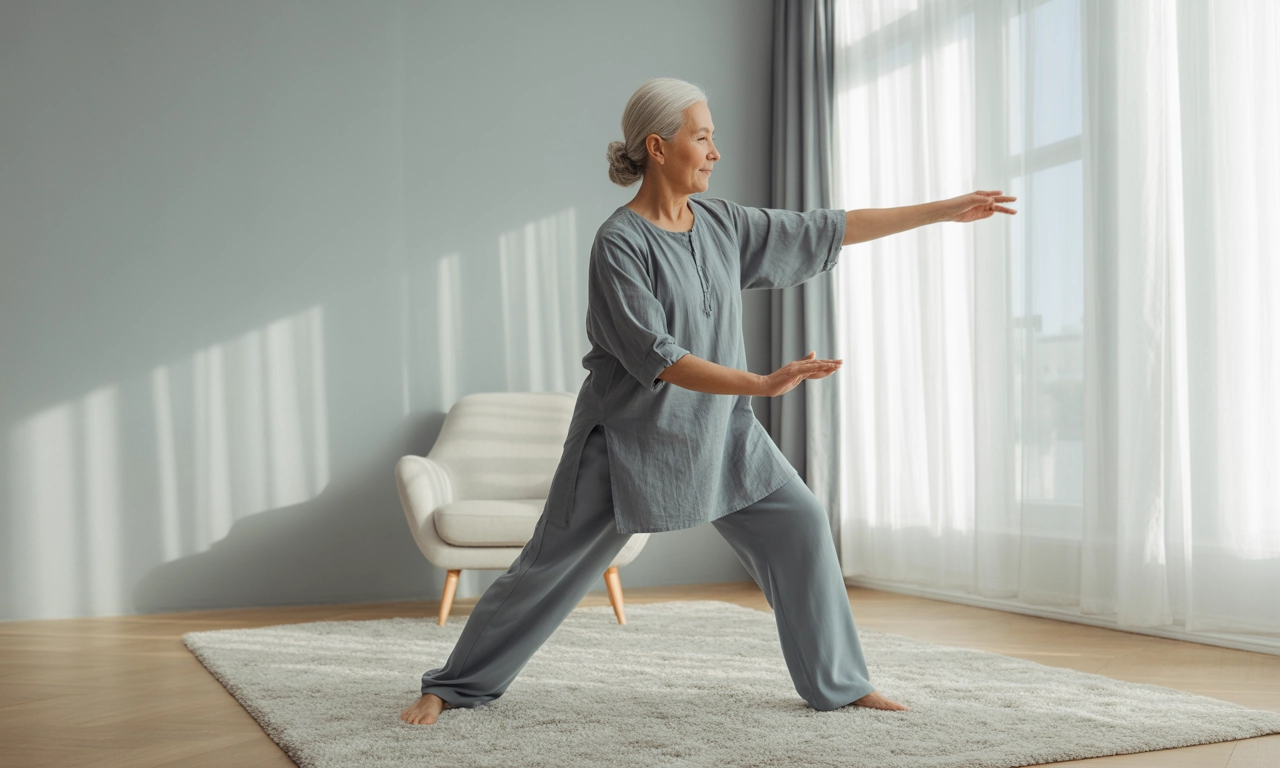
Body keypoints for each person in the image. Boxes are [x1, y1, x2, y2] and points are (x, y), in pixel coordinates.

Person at [401, 77, 1016, 725]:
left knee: (800, 523)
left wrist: (943, 210)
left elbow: (825, 228)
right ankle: (452, 685)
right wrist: (761, 383)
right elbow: (660, 358)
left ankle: (838, 683)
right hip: (628, 442)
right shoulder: (619, 245)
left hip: (724, 433)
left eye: (715, 137)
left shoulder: (722, 223)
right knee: (544, 571)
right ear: (659, 148)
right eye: (703, 137)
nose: (715, 151)